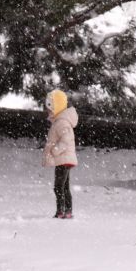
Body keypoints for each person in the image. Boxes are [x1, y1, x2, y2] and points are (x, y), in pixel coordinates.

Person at [42, 89, 78, 219]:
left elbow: (66, 139)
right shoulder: (59, 121)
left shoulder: (62, 122)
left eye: (50, 108)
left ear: (57, 107)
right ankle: (67, 211)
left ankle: (61, 211)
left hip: (63, 158)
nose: (48, 111)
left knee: (58, 187)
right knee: (64, 186)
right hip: (64, 159)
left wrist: (54, 150)